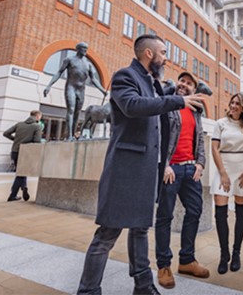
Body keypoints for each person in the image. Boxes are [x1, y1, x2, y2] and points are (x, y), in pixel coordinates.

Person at [76, 35, 203, 295]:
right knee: (108, 233)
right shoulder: (125, 77)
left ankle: (143, 286)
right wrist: (177, 101)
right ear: (148, 54)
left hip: (146, 171)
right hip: (125, 170)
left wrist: (179, 92)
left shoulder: (153, 83)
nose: (166, 58)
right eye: (163, 53)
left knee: (141, 229)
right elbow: (133, 106)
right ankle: (88, 291)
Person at [155, 72, 209, 289]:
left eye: (189, 84)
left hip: (190, 169)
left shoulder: (195, 111)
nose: (184, 85)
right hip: (171, 170)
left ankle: (187, 260)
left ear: (193, 90)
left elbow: (200, 138)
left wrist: (200, 163)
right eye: (182, 81)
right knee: (164, 217)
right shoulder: (167, 104)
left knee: (195, 210)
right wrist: (164, 164)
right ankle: (163, 265)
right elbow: (158, 135)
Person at [211, 93, 243, 274]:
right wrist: (222, 173)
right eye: (232, 103)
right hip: (223, 167)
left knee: (241, 213)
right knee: (220, 214)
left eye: (237, 103)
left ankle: (236, 252)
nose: (233, 106)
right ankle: (224, 254)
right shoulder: (220, 124)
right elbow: (214, 148)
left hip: (242, 169)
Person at [43, 42, 108, 140]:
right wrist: (49, 86)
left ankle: (73, 135)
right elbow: (59, 72)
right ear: (78, 49)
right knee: (71, 110)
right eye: (83, 48)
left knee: (77, 113)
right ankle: (69, 136)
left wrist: (102, 90)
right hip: (71, 88)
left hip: (81, 90)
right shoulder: (69, 60)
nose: (85, 51)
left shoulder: (88, 64)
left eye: (86, 49)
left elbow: (94, 79)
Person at [3, 110, 43, 202]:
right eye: (40, 117)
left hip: (14, 151)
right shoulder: (37, 126)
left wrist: (16, 140)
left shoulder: (19, 124)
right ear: (37, 116)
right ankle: (12, 195)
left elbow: (5, 133)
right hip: (26, 152)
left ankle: (24, 187)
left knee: (22, 171)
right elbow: (37, 142)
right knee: (21, 174)